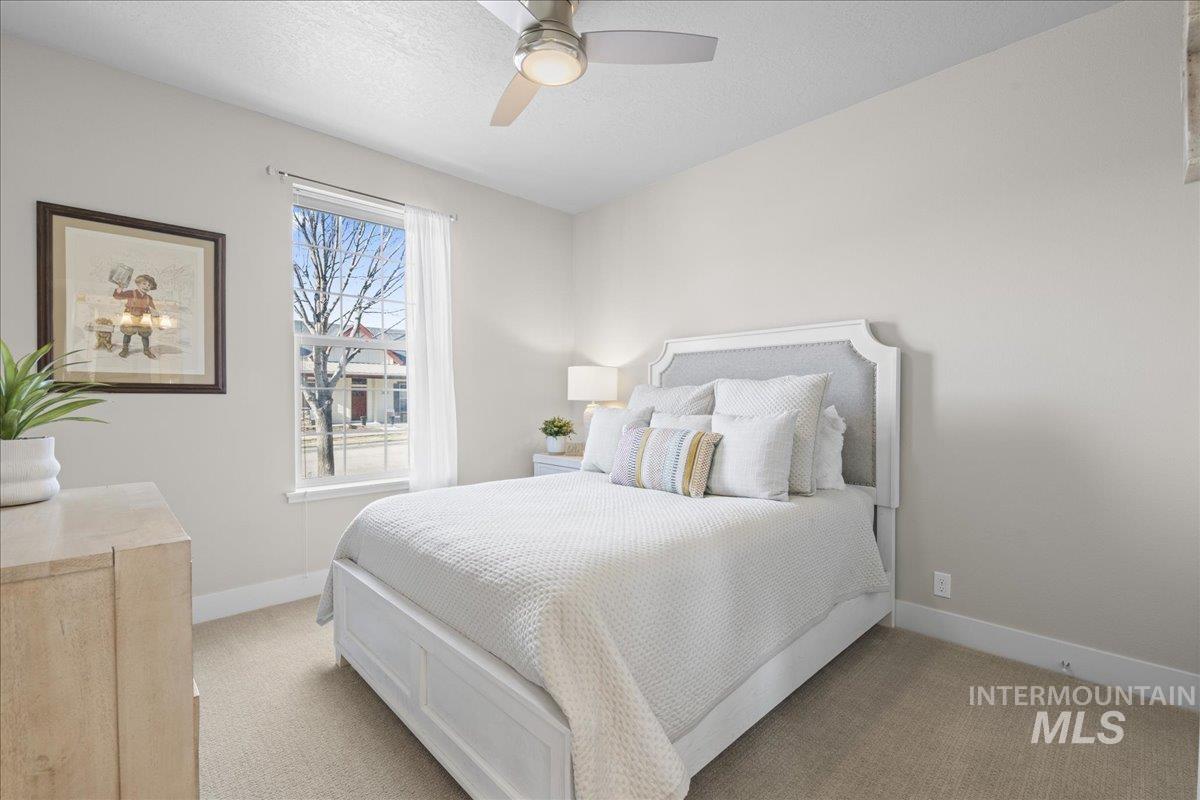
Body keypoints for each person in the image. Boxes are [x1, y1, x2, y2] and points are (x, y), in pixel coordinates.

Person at [113, 274, 158, 359]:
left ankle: (146, 350)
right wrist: (120, 288)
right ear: (138, 283)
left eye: (149, 285)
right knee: (127, 334)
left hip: (144, 318)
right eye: (144, 284)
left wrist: (155, 313)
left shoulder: (149, 298)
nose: (146, 286)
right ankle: (125, 349)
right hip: (130, 316)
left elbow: (153, 309)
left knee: (145, 335)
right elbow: (117, 296)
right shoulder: (131, 293)